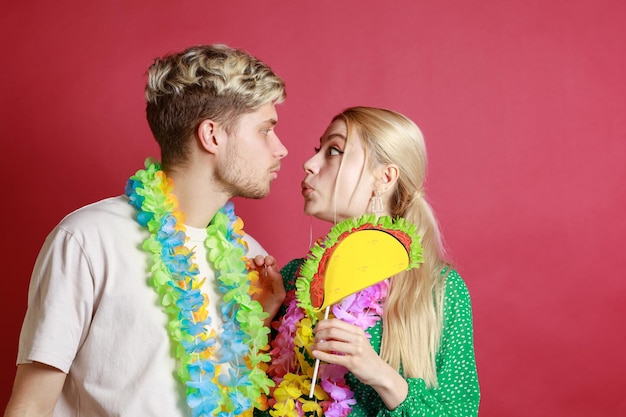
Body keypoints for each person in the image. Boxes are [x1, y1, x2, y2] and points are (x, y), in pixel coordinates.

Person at [5, 44, 289, 417]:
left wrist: (261, 320)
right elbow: (30, 406)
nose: (280, 149)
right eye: (265, 130)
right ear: (212, 136)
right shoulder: (88, 240)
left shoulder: (247, 257)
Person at [259, 107, 480, 417]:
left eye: (334, 151)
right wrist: (265, 317)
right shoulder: (295, 278)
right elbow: (250, 395)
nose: (309, 164)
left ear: (384, 177)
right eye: (317, 150)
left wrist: (378, 373)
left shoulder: (436, 288)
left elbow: (458, 411)